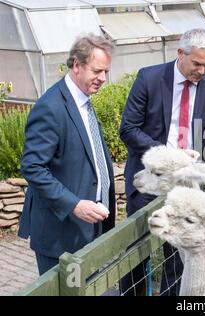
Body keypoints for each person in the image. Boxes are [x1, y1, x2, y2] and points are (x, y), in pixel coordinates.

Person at [119, 28, 205, 296]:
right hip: (149, 179)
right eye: (197, 63)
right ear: (180, 54)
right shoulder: (149, 79)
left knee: (177, 254)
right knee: (137, 251)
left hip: (185, 185)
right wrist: (170, 156)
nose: (202, 70)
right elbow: (128, 129)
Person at [18, 34, 116, 275]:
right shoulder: (50, 107)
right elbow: (33, 168)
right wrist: (74, 205)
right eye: (97, 71)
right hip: (61, 234)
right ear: (76, 65)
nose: (103, 78)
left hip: (90, 226)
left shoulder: (83, 101)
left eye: (106, 72)